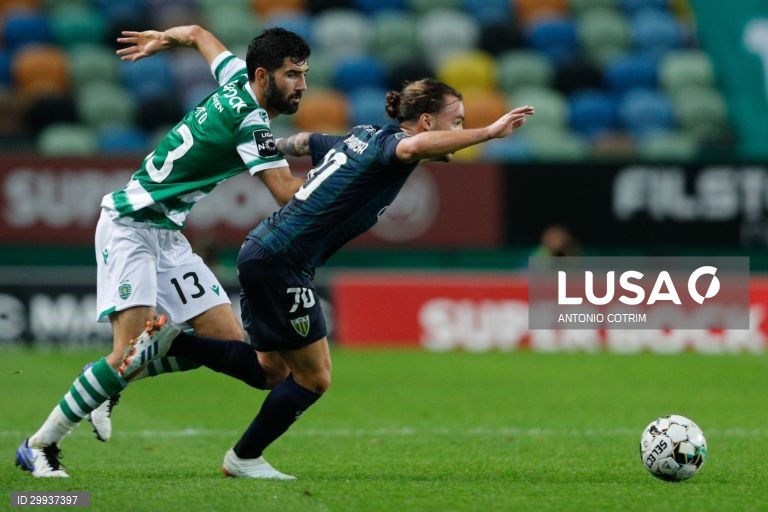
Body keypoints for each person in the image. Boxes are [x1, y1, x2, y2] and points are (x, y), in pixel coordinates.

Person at [134, 79, 535, 479]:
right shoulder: (393, 146)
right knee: (315, 377)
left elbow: (307, 141)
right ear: (427, 121)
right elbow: (411, 147)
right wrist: (488, 133)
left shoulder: (364, 135)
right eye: (457, 123)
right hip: (283, 262)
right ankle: (242, 456)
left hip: (262, 249)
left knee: (270, 371)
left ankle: (176, 344)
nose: (460, 131)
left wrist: (267, 148)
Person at [15, 25, 311, 478]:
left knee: (236, 355)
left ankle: (115, 380)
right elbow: (286, 194)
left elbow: (196, 32)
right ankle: (39, 445)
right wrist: (349, 165)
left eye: (304, 74)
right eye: (292, 75)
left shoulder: (235, 79)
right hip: (130, 226)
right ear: (263, 75)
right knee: (127, 349)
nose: (302, 86)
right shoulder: (250, 122)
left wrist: (162, 39)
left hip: (168, 236)